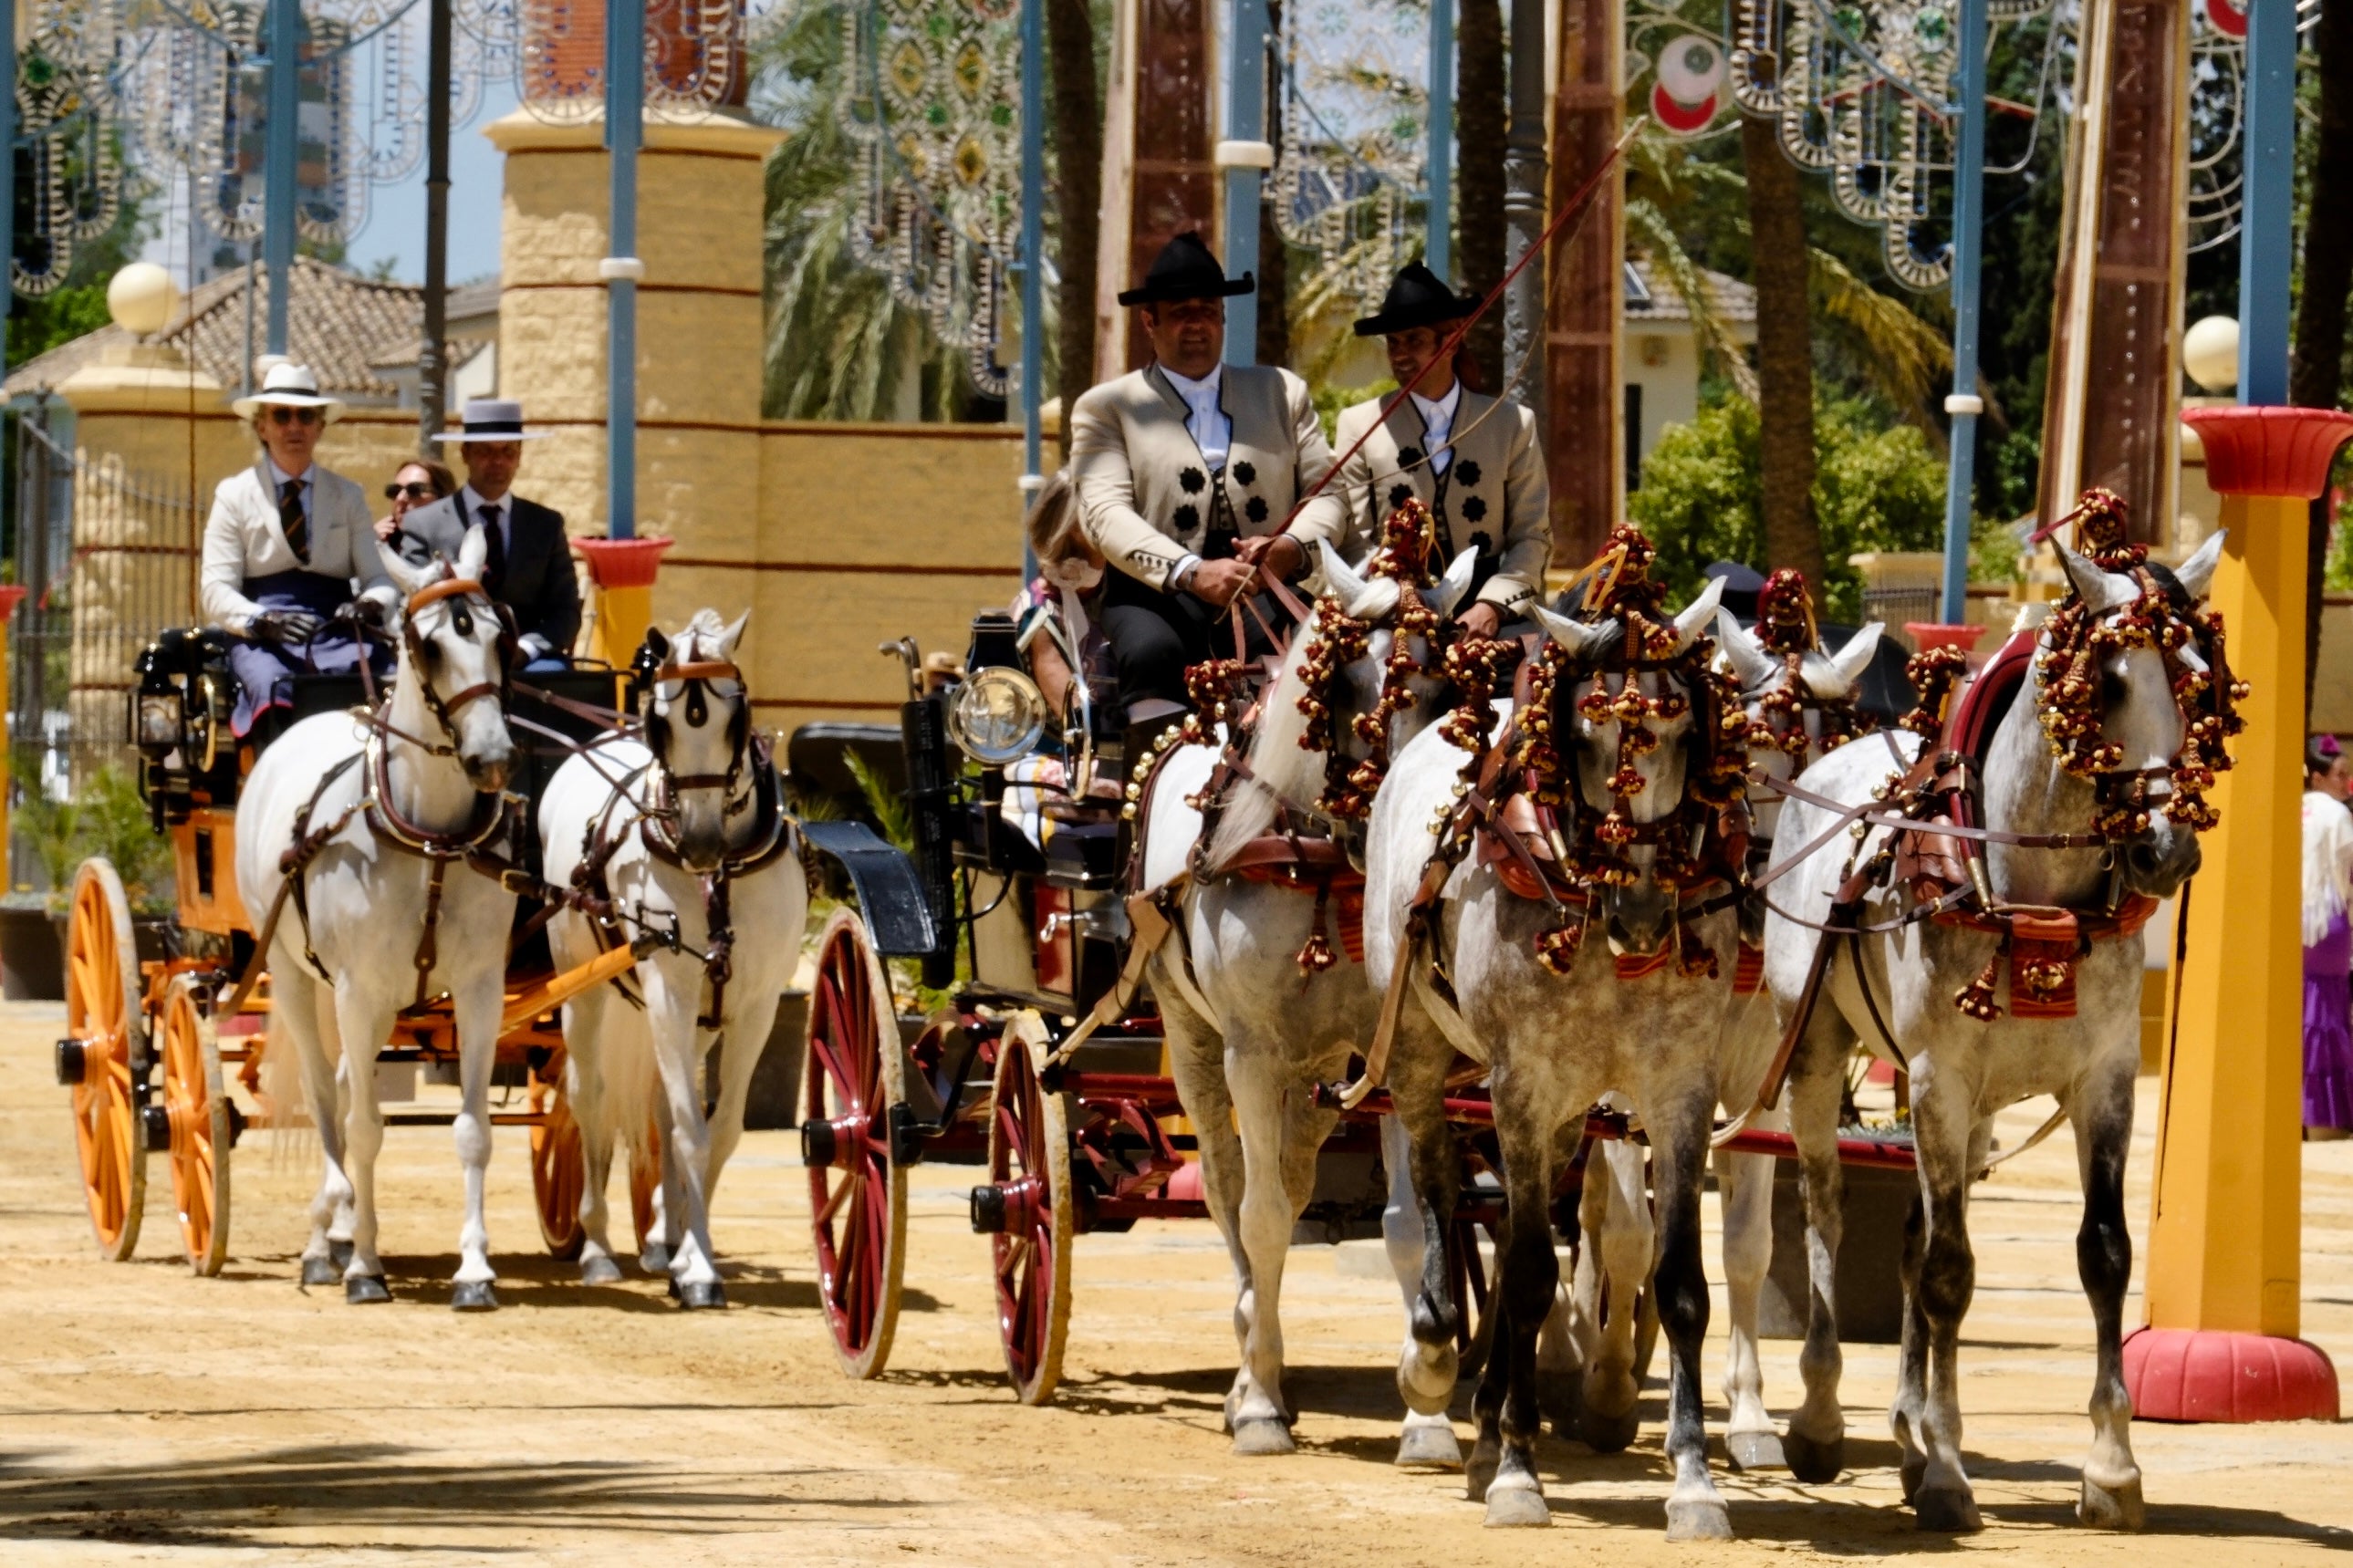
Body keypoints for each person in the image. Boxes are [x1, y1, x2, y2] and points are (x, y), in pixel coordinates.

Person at [1067, 232, 1348, 741]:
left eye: (1207, 310)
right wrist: (1191, 572)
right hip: (1157, 595)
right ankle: (1149, 801)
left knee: (1320, 652)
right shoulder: (1106, 407)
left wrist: (1287, 548)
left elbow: (1328, 493)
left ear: (1222, 316)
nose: (1195, 324)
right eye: (1179, 312)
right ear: (1149, 321)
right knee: (1152, 653)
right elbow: (1105, 514)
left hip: (1266, 585)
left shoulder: (1283, 391)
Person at [1327, 263, 1549, 640]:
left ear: (1452, 340)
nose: (1400, 355)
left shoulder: (1511, 423)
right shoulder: (1359, 425)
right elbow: (1355, 539)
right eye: (1393, 343)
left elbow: (1531, 536)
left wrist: (1491, 606)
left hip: (1490, 615)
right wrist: (1389, 601)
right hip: (1390, 611)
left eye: (1414, 340)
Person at [198, 362, 399, 737]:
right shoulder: (233, 495)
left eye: (306, 416)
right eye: (282, 415)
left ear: (320, 426)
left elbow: (378, 578)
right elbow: (216, 590)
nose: (294, 426)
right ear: (262, 426)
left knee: (383, 680)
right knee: (272, 683)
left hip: (338, 631)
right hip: (261, 640)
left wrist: (369, 605)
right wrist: (263, 621)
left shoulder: (348, 495)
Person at [399, 398, 581, 672]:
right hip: (451, 660)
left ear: (519, 457)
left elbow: (566, 610)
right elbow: (412, 603)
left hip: (527, 663)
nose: (497, 461)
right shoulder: (424, 524)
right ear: (465, 454)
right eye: (485, 452)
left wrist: (527, 648)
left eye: (508, 452)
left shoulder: (546, 525)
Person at [2305, 734, 2353, 1140]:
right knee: (2327, 1019)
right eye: (2340, 775)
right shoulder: (2337, 814)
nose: (2345, 784)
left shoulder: (2292, 808)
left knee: (2299, 1019)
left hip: (2292, 929)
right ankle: (2323, 1123)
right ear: (2318, 776)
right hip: (2327, 926)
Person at [375, 456, 458, 546]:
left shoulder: (463, 546)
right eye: (395, 490)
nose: (400, 498)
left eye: (414, 490)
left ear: (443, 497)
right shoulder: (378, 542)